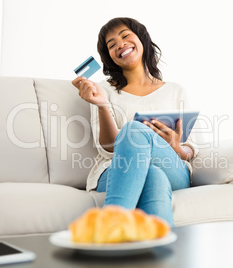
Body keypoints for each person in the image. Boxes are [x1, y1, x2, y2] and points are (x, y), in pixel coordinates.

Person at [72, 17, 198, 226]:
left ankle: (108, 228)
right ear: (110, 56)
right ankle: (162, 253)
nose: (120, 44)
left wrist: (177, 148)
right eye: (111, 45)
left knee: (133, 131)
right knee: (152, 175)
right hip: (117, 168)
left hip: (172, 167)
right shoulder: (103, 90)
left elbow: (193, 147)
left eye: (125, 36)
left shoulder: (176, 90)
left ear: (142, 39)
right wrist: (103, 105)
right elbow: (109, 148)